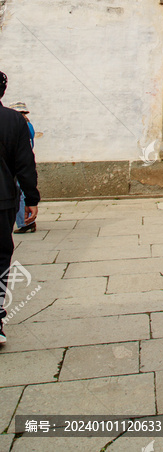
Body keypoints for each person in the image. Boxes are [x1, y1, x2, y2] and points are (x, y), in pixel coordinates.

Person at [0, 72, 39, 344]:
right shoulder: (14, 121)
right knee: (1, 258)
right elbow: (25, 165)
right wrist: (32, 198)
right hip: (1, 201)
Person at [10, 103, 36, 234]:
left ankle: (25, 221)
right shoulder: (28, 125)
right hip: (24, 162)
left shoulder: (18, 126)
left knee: (20, 193)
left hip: (18, 164)